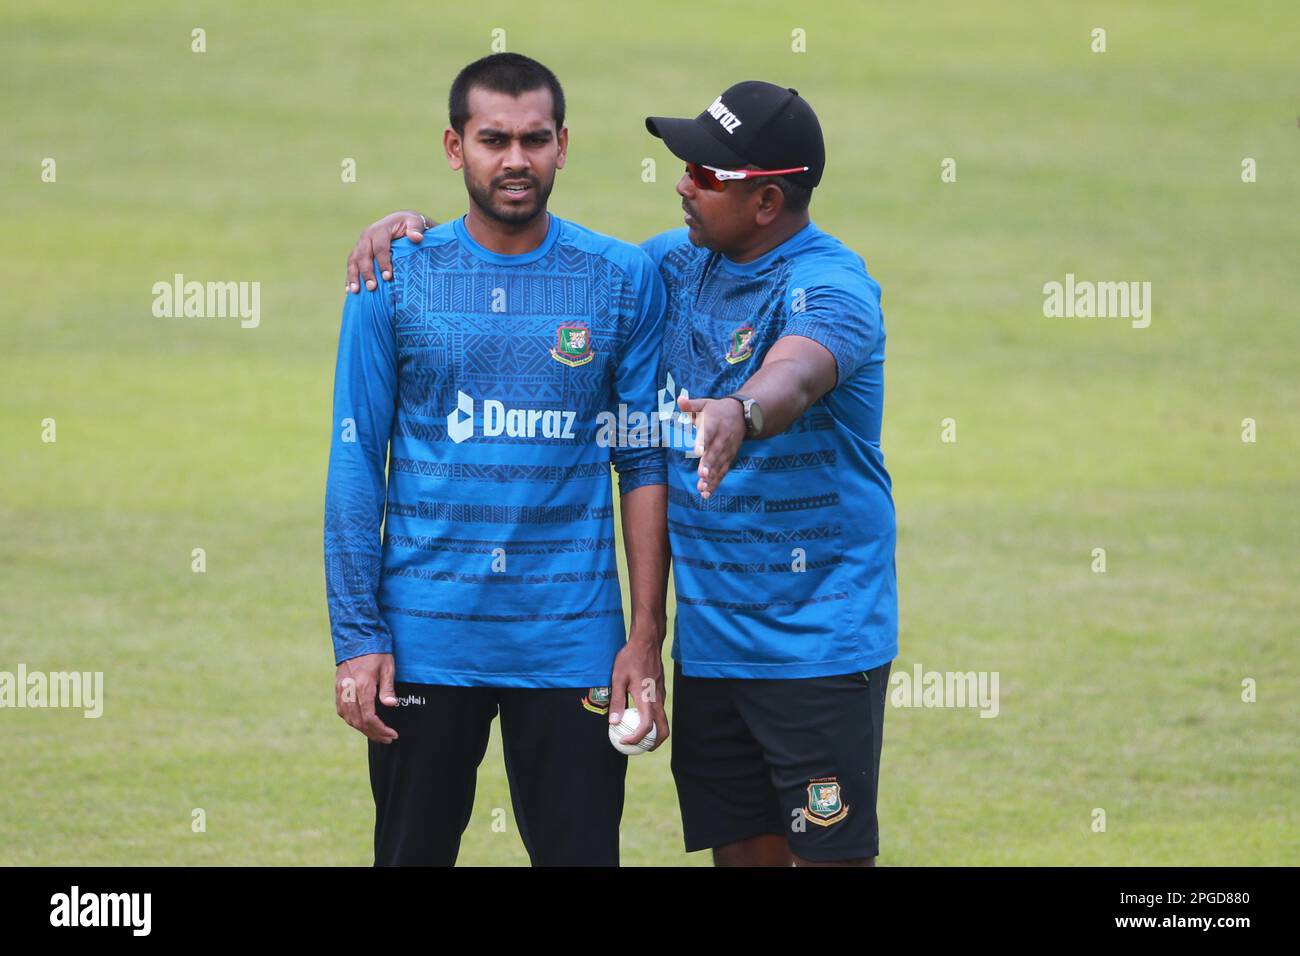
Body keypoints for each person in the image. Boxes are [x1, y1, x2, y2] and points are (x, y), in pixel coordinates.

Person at [345, 80, 897, 868]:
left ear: (767, 202)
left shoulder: (834, 288)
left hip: (815, 645)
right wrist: (412, 239)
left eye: (706, 175)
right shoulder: (670, 265)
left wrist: (740, 412)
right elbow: (547, 267)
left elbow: (800, 372)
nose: (681, 182)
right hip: (711, 647)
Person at [325, 52, 670, 867]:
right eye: (493, 140)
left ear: (562, 145)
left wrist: (645, 638)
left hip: (573, 643)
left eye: (535, 139)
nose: (516, 159)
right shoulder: (391, 278)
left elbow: (645, 464)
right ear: (455, 148)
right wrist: (356, 636)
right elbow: (353, 462)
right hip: (422, 641)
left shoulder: (620, 279)